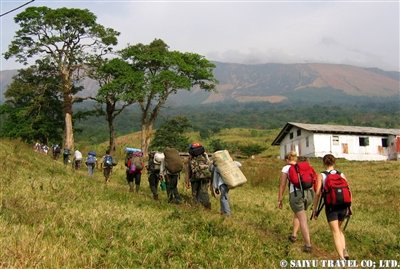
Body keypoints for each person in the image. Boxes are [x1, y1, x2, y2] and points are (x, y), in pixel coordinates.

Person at [312, 154, 352, 260]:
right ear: (334, 162)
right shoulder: (341, 174)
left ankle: (341, 258)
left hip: (331, 207)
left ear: (324, 163)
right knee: (339, 229)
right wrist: (350, 206)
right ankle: (344, 251)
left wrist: (315, 209)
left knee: (335, 231)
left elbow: (317, 193)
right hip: (344, 206)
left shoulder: (321, 175)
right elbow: (348, 189)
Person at [277, 151, 314, 253]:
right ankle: (294, 235)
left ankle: (308, 245)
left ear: (287, 160)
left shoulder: (286, 168)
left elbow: (282, 185)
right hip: (309, 194)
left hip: (296, 195)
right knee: (298, 214)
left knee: (302, 219)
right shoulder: (305, 166)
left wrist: (280, 199)